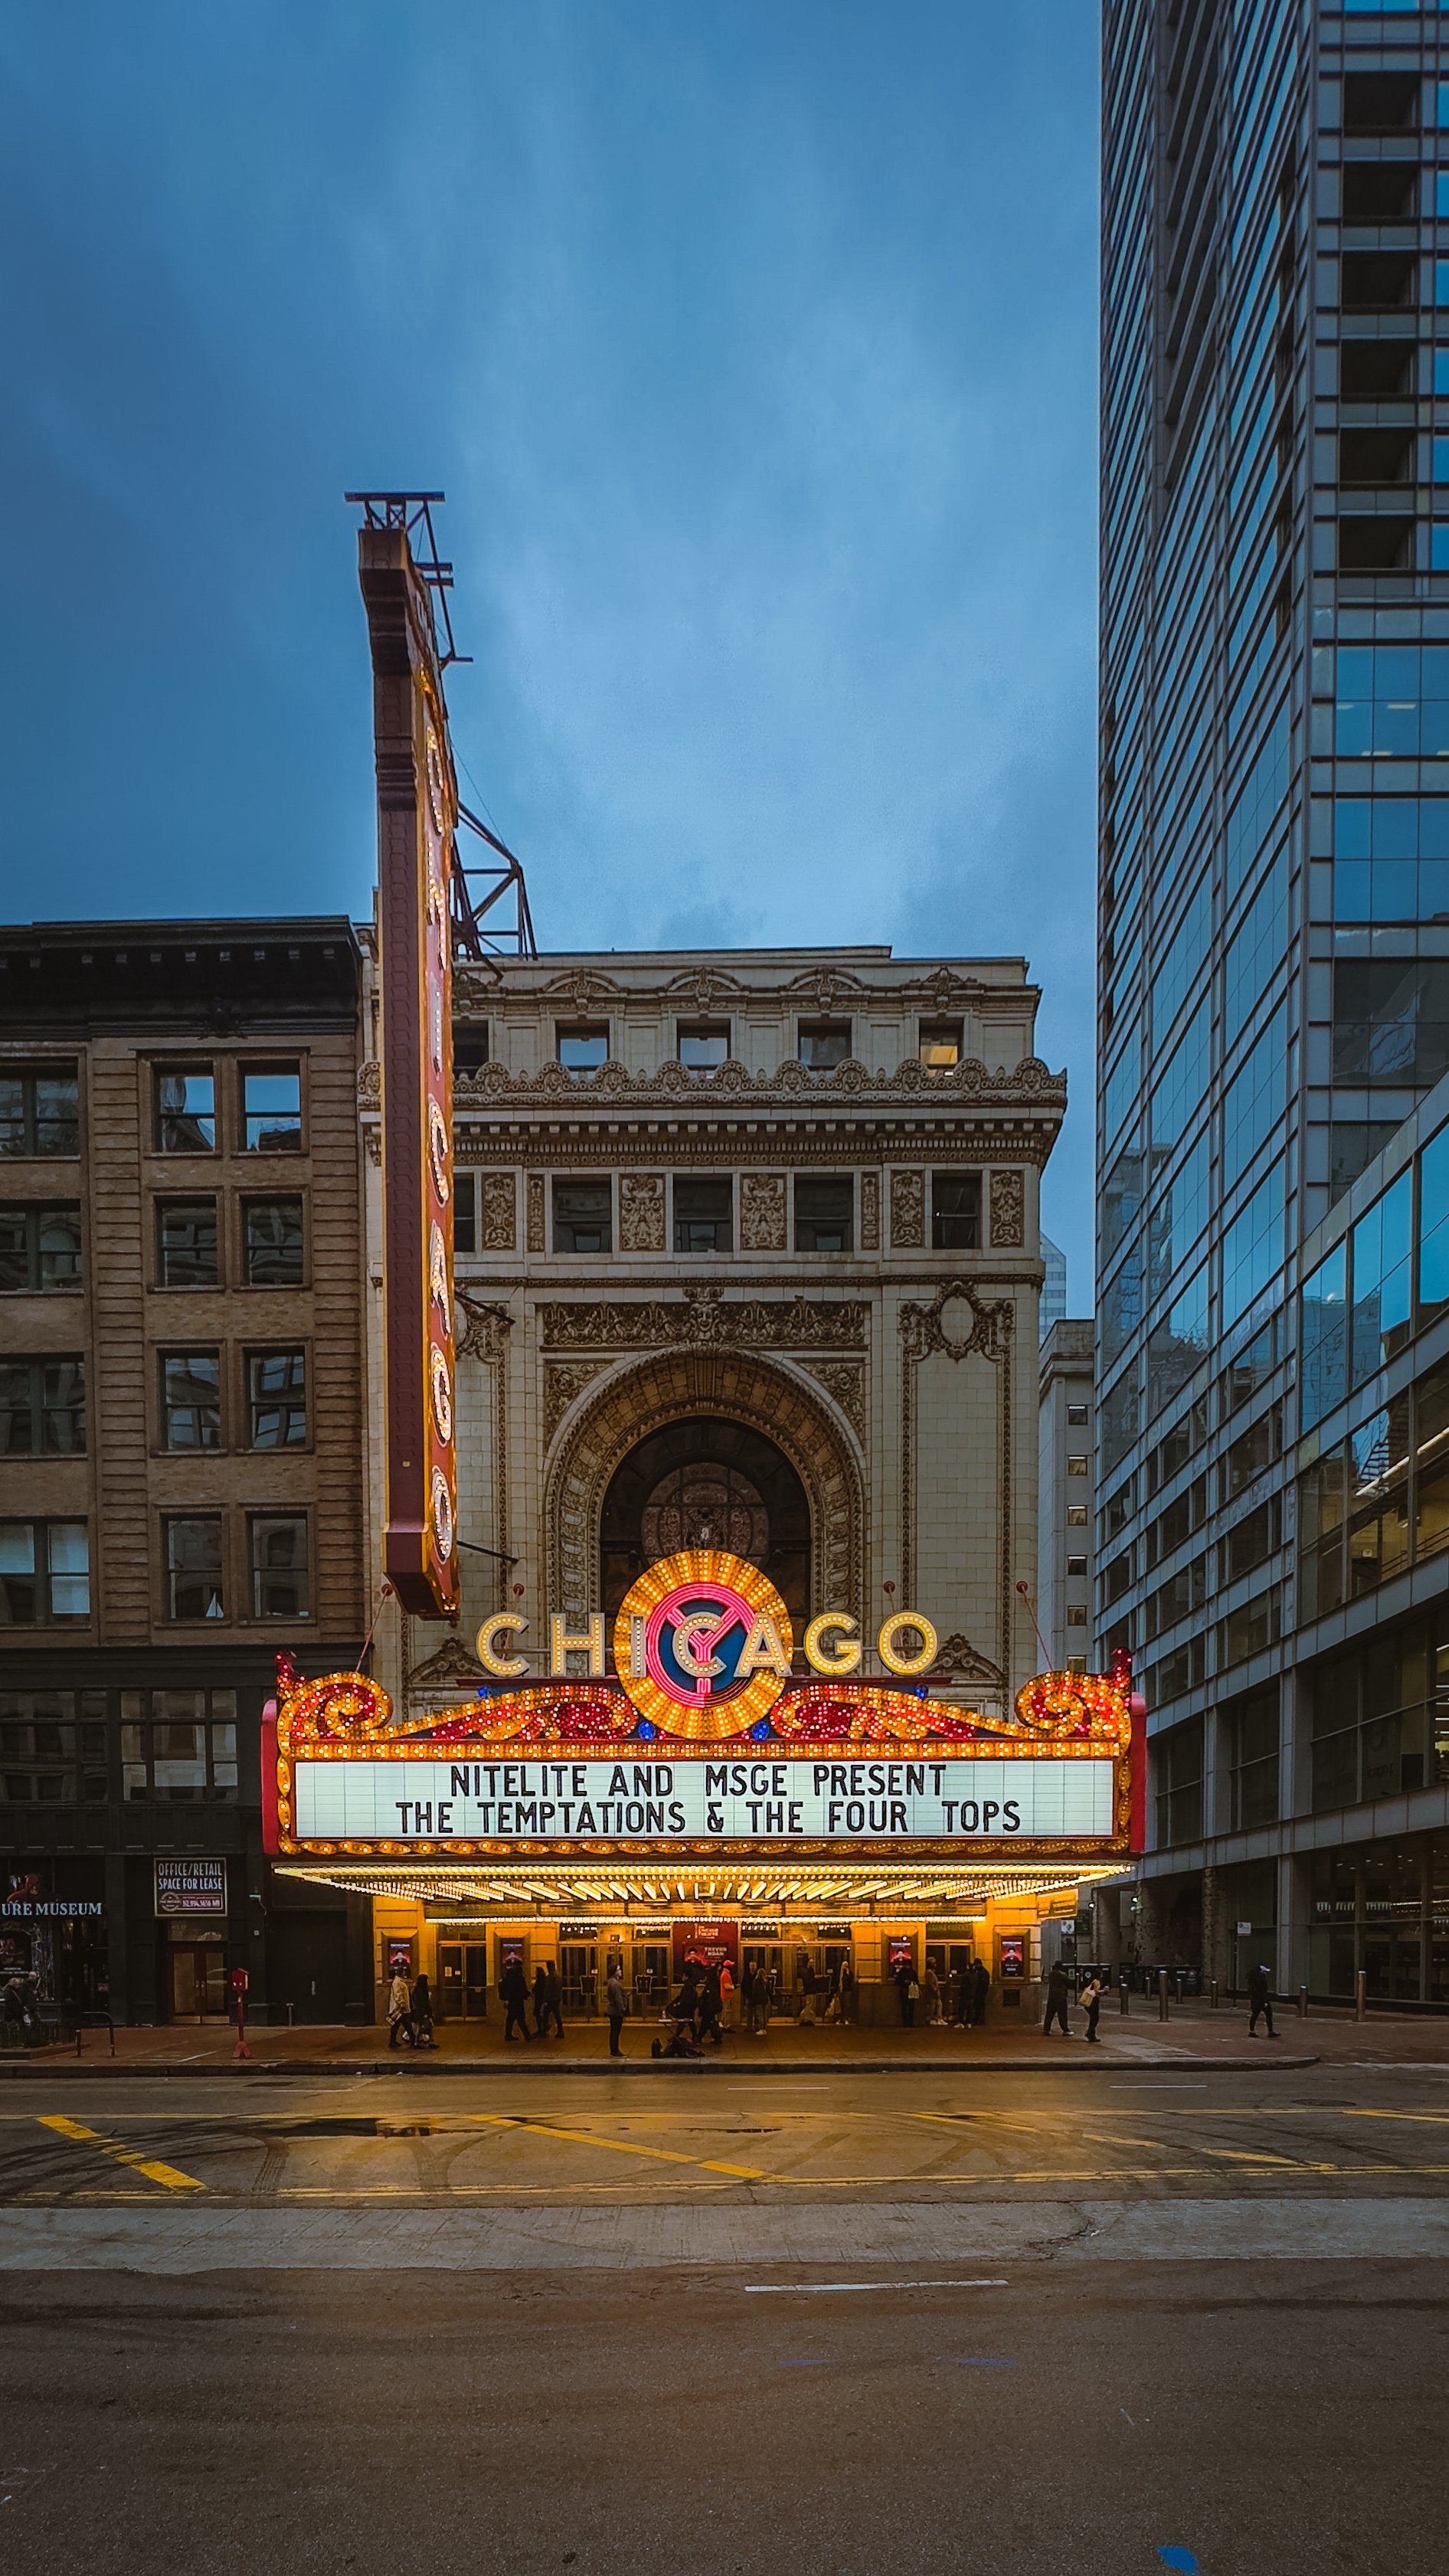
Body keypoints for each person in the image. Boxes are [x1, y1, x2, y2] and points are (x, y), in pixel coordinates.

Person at [499, 1955, 533, 2042]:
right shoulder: (518, 1974)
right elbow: (520, 1987)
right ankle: (527, 2035)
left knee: (511, 2018)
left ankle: (509, 2035)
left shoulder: (510, 1974)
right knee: (519, 2018)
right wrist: (527, 1994)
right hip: (517, 2000)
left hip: (512, 1999)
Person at [387, 1966, 414, 2051]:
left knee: (400, 2025)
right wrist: (402, 2003)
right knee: (403, 2025)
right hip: (400, 2009)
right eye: (404, 1972)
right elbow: (398, 1994)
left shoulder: (400, 1981)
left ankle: (394, 2041)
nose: (405, 1973)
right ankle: (413, 2039)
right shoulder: (397, 1982)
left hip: (402, 2009)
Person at [1042, 1958, 1071, 2037]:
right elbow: (1069, 1984)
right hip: (1061, 1996)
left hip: (1051, 1995)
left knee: (1049, 2013)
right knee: (1062, 2014)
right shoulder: (1063, 1975)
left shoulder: (1051, 1974)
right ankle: (1065, 2030)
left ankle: (1046, 2029)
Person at [1248, 1962, 1277, 2038]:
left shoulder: (1253, 1980)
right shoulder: (1261, 1979)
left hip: (1255, 2000)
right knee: (1268, 2014)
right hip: (1261, 2000)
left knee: (1254, 2016)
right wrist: (1265, 2001)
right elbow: (1263, 1992)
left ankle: (1252, 2031)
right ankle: (1270, 2031)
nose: (1266, 1973)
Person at [606, 1959, 627, 2059]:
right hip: (616, 2011)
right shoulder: (615, 1984)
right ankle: (615, 2051)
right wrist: (622, 2008)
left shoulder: (612, 1982)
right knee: (615, 2031)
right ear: (615, 1972)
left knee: (614, 2030)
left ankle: (614, 2050)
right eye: (619, 1969)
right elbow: (618, 1997)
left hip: (613, 2010)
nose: (620, 1971)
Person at [410, 1972, 435, 2049]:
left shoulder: (417, 1990)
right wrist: (426, 2013)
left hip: (421, 2012)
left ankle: (426, 2042)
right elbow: (423, 2002)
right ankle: (417, 2042)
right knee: (421, 2027)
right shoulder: (420, 1991)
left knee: (427, 2026)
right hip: (421, 2012)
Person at [1078, 1972, 1104, 2044]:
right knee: (1095, 2019)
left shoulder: (1091, 1981)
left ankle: (1090, 2033)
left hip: (1089, 2003)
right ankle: (1091, 2034)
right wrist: (1104, 1991)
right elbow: (1096, 1991)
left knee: (1093, 2018)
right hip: (1093, 2002)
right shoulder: (1097, 1981)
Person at [532, 1964, 550, 2038]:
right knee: (539, 2013)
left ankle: (542, 2028)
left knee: (537, 2013)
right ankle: (544, 2028)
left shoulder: (540, 1980)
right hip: (540, 1999)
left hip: (539, 1999)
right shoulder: (544, 1980)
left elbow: (537, 1989)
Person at [924, 1962, 944, 2028]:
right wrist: (935, 1989)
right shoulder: (930, 1973)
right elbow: (930, 1984)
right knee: (933, 2006)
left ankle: (938, 2018)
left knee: (938, 2005)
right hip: (933, 1992)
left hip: (934, 1992)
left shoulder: (931, 1972)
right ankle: (933, 2018)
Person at [837, 1956, 855, 2026]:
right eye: (844, 1965)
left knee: (847, 2005)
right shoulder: (840, 1973)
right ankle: (841, 2018)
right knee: (840, 2005)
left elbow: (850, 1981)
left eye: (846, 1965)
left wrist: (848, 1973)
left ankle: (846, 2018)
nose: (844, 1967)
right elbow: (838, 1981)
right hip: (841, 1990)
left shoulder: (849, 1973)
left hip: (847, 1990)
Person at [972, 1956, 990, 2025]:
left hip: (980, 1993)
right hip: (980, 1993)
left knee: (978, 2007)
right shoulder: (982, 1972)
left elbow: (982, 1984)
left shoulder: (982, 1973)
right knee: (978, 2007)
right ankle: (977, 2020)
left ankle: (976, 2020)